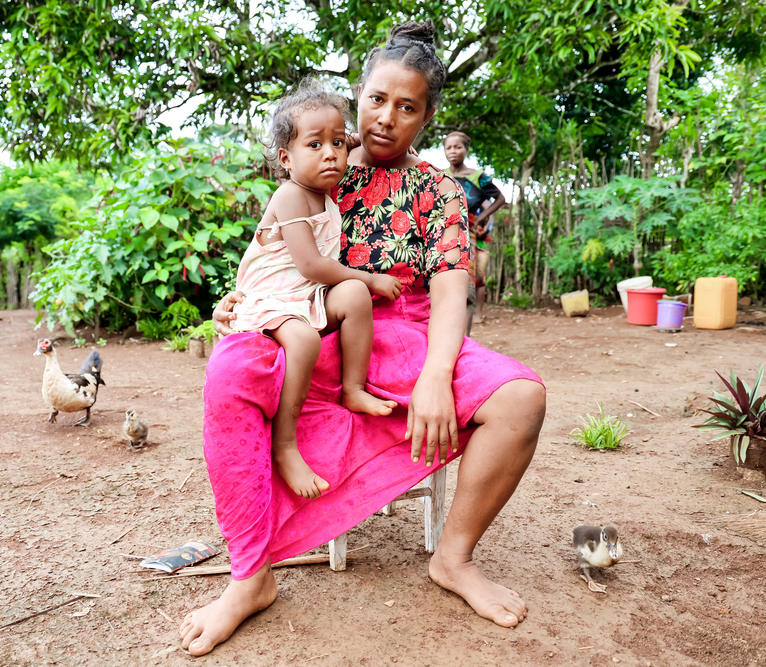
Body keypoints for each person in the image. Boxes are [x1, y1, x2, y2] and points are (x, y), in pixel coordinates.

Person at [181, 20, 546, 657]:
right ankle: (250, 576)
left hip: (402, 330)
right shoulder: (318, 161)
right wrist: (239, 297)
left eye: (407, 107)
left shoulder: (439, 191)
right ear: (358, 96)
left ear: (427, 117)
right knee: (231, 372)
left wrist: (436, 374)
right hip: (310, 320)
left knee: (521, 399)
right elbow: (272, 250)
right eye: (376, 100)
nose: (386, 118)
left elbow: (451, 292)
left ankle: (453, 558)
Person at [230, 78, 400, 499]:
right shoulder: (291, 194)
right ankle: (285, 445)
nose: (331, 153)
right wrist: (372, 277)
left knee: (355, 298)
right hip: (272, 295)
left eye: (338, 144)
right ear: (286, 159)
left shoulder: (323, 188)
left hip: (303, 292)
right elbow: (313, 265)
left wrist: (355, 135)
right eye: (315, 145)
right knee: (304, 340)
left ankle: (354, 389)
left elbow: (344, 138)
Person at [443, 132, 506, 331]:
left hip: (466, 236)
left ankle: (466, 341)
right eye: (448, 147)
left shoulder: (478, 177)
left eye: (457, 147)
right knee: (440, 289)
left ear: (466, 150)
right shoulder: (439, 174)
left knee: (467, 290)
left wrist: (480, 217)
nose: (453, 151)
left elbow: (500, 198)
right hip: (440, 236)